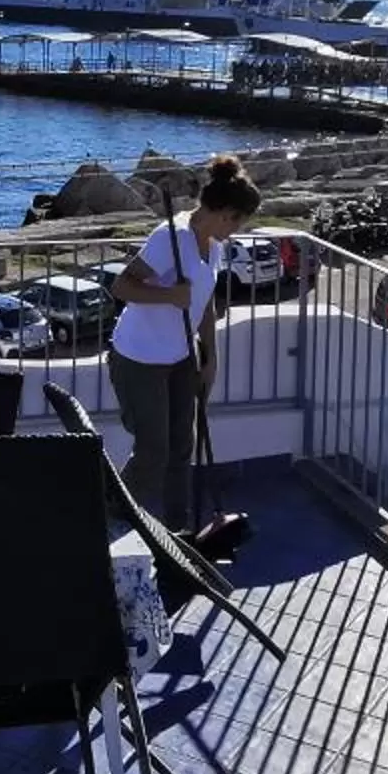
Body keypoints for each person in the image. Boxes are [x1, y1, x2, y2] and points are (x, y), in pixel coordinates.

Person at [108, 154, 260, 558]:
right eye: (239, 221)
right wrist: (167, 295)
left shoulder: (211, 246)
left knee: (181, 446)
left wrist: (209, 355)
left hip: (179, 356)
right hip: (138, 357)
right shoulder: (168, 238)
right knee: (153, 449)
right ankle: (112, 519)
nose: (238, 230)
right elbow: (121, 288)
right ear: (226, 213)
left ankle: (177, 533)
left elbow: (203, 302)